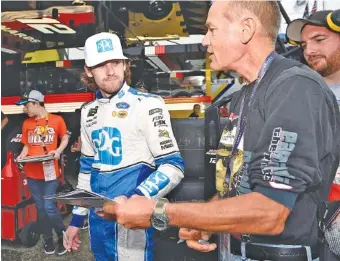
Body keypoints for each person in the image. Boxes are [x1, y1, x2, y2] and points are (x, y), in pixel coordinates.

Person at [101, 2, 340, 261]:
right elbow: (236, 186)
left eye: (212, 29)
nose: (205, 40)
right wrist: (205, 220)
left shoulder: (295, 88)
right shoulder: (244, 97)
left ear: (246, 29)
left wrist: (160, 211)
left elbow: (270, 211)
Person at [63, 32, 184, 261]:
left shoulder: (148, 105)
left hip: (132, 222)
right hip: (99, 225)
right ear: (89, 70)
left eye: (115, 62)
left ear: (125, 64)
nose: (110, 71)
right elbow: (86, 172)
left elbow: (172, 166)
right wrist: (76, 221)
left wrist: (137, 199)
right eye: (101, 65)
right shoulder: (88, 111)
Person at [287, 9, 340, 202]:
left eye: (319, 39)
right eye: (304, 45)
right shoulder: (299, 95)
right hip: (313, 211)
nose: (309, 51)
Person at [16, 90, 69, 256]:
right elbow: (26, 145)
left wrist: (58, 150)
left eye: (27, 106)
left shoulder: (57, 120)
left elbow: (65, 137)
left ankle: (62, 236)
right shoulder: (27, 124)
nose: (25, 110)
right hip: (32, 174)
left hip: (50, 173)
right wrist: (22, 155)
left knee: (49, 207)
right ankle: (47, 238)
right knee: (41, 209)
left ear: (37, 104)